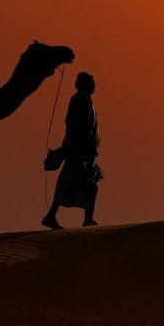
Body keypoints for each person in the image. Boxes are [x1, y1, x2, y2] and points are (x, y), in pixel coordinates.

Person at [41, 72, 103, 229]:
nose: (94, 86)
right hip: (80, 151)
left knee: (89, 185)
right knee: (70, 183)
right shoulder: (79, 100)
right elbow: (76, 126)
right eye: (91, 83)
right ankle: (54, 216)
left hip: (86, 153)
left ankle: (85, 218)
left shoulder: (86, 101)